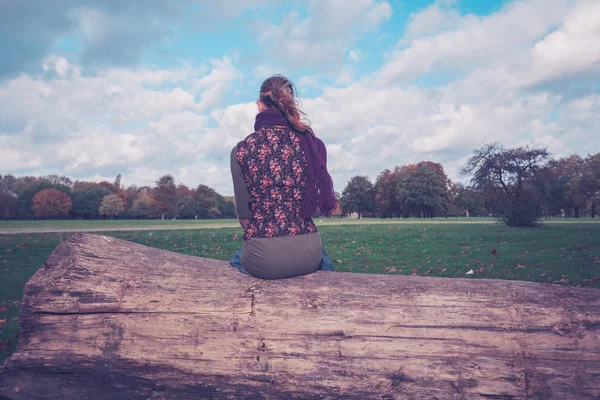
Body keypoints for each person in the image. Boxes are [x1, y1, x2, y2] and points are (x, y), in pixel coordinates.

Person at [229, 75, 337, 279]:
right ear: (290, 103)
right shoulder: (312, 145)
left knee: (236, 260)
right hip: (309, 252)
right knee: (325, 261)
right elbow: (311, 205)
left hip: (265, 259)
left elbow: (244, 217)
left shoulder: (241, 150)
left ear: (259, 105)